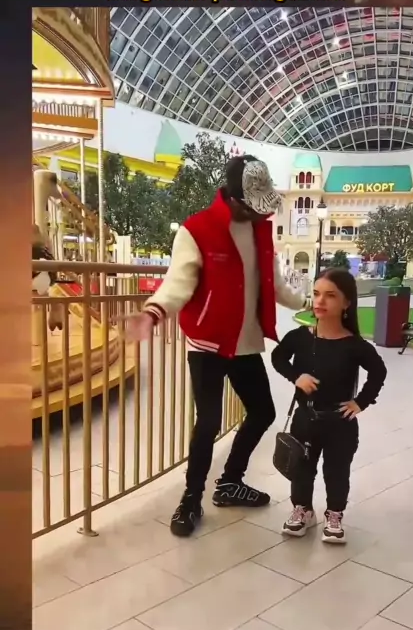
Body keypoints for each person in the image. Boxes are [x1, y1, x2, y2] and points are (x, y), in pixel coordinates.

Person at [125, 155, 308, 536]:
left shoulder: (261, 232)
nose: (259, 214)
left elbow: (275, 285)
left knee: (263, 411)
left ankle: (229, 483)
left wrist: (310, 303)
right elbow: (177, 284)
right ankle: (191, 499)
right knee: (207, 422)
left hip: (245, 343)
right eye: (252, 206)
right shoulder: (197, 229)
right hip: (207, 343)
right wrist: (152, 313)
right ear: (233, 198)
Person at [271, 268, 387, 543]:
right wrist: (296, 377)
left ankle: (334, 514)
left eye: (330, 295)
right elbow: (278, 358)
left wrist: (360, 402)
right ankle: (303, 510)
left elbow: (378, 371)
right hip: (305, 419)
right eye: (316, 294)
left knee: (336, 471)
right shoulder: (300, 337)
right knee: (302, 470)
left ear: (347, 303)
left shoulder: (354, 345)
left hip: (340, 423)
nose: (320, 301)